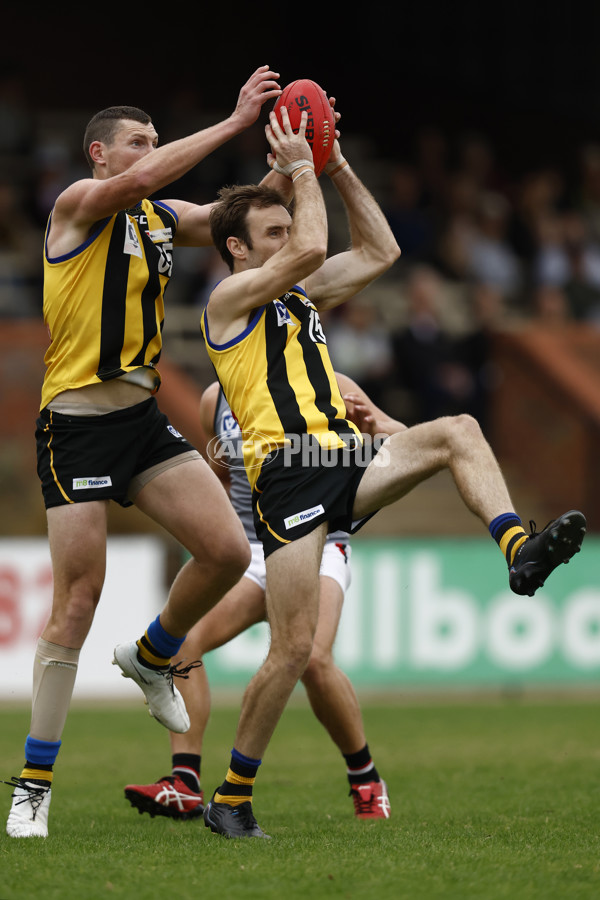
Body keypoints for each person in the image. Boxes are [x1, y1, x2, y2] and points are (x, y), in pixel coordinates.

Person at [198, 102, 586, 839]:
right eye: (268, 234)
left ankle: (517, 550)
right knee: (293, 651)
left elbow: (379, 251)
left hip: (338, 456)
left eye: (285, 227)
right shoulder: (228, 301)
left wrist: (336, 165)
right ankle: (230, 795)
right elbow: (312, 247)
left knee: (459, 431)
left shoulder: (298, 298)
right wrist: (302, 173)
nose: (285, 240)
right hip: (287, 471)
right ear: (238, 254)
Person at [4, 65, 288, 840]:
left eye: (155, 140)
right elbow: (158, 181)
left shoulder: (159, 217)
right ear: (99, 153)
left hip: (141, 417)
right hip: (77, 421)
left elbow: (240, 219)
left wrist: (294, 157)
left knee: (229, 550)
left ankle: (153, 654)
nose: (151, 150)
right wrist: (231, 124)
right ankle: (33, 786)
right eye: (138, 142)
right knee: (77, 598)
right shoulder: (76, 205)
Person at [123, 373, 405, 821]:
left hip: (317, 540)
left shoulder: (330, 382)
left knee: (313, 658)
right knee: (184, 641)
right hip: (252, 550)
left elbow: (405, 443)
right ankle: (185, 782)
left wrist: (375, 431)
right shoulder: (216, 398)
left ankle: (365, 778)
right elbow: (219, 473)